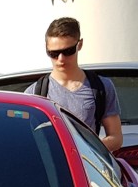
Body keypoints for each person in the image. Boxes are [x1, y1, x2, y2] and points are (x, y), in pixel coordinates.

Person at [28, 17, 123, 152]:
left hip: (85, 169)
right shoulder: (34, 93)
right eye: (53, 53)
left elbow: (115, 138)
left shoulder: (101, 87)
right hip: (50, 171)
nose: (60, 59)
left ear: (79, 45)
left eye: (68, 51)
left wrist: (84, 151)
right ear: (46, 48)